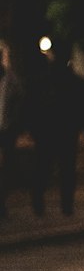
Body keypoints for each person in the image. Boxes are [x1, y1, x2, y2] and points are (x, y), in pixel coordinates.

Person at [25, 40, 84, 218]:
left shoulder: (45, 79)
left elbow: (33, 104)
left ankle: (39, 203)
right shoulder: (71, 79)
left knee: (43, 167)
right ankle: (66, 205)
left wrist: (33, 128)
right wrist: (83, 127)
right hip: (66, 130)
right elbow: (82, 106)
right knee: (66, 169)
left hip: (48, 130)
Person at [0, 40, 26, 219]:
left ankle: (1, 203)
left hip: (6, 130)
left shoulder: (10, 80)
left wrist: (15, 125)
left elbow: (20, 103)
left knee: (5, 169)